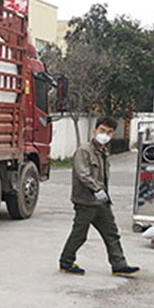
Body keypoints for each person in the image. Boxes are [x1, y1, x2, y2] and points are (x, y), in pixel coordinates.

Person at [59, 117, 140, 276]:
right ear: (94, 131)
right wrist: (96, 189)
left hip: (102, 202)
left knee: (112, 234)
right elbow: (82, 173)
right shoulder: (84, 150)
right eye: (102, 130)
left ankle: (119, 265)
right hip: (86, 201)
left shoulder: (104, 151)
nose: (105, 134)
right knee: (79, 235)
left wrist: (103, 194)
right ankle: (66, 262)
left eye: (109, 132)